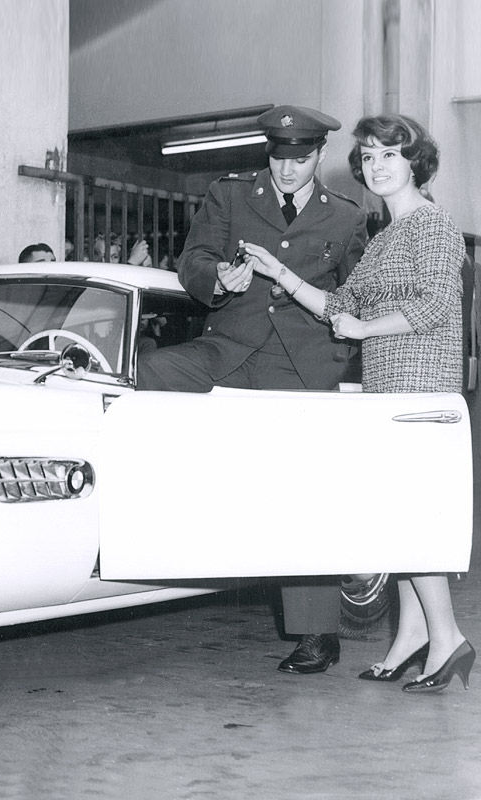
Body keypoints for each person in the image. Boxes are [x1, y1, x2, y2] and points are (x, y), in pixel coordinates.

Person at [137, 104, 369, 676]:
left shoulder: (345, 217)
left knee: (300, 489)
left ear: (319, 156)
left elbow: (355, 298)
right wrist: (218, 278)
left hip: (300, 364)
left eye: (300, 160)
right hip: (230, 348)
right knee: (148, 374)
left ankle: (318, 633)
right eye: (278, 157)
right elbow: (195, 259)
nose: (287, 170)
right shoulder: (232, 195)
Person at [246, 114, 471, 692]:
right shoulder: (385, 236)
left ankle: (447, 638)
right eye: (368, 157)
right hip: (387, 391)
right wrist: (281, 273)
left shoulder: (432, 225)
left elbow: (436, 306)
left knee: (411, 519)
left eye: (390, 154)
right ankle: (412, 636)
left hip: (421, 389)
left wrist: (366, 328)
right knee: (397, 517)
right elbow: (339, 303)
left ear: (416, 163)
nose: (376, 166)